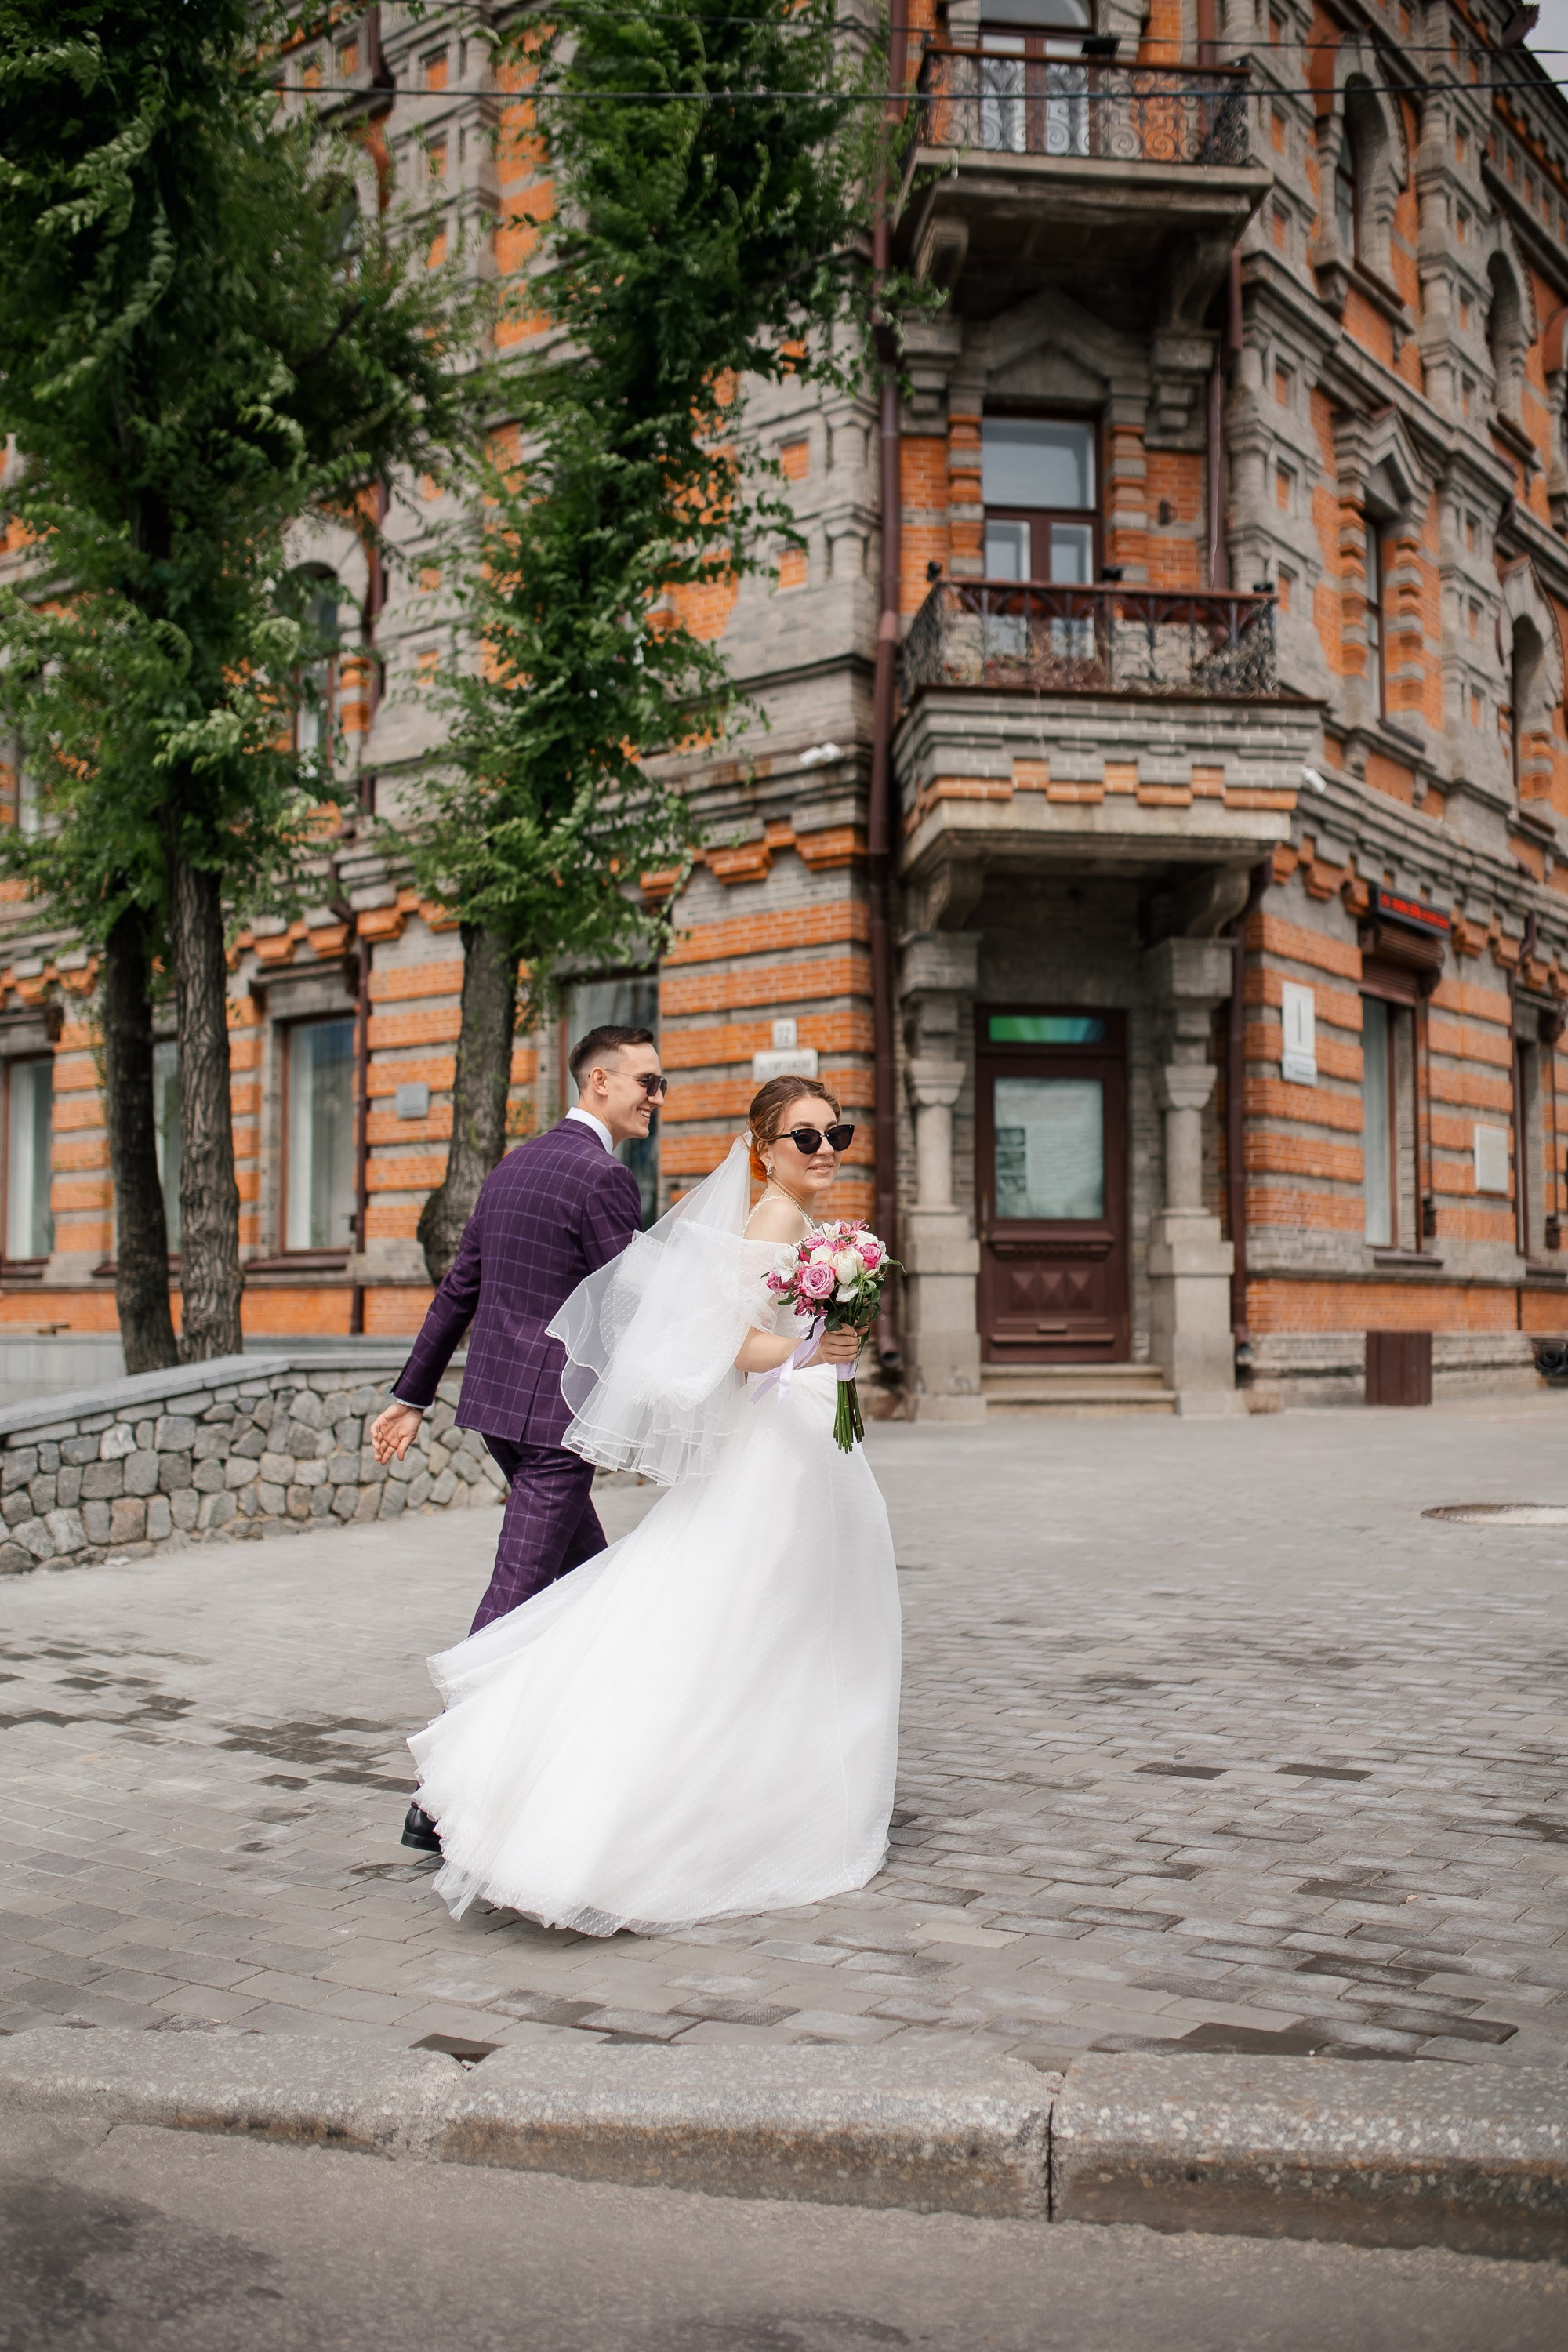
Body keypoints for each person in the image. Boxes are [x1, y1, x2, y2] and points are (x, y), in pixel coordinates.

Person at [403, 1076, 902, 1934]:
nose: (825, 1152)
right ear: (764, 1150)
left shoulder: (804, 1225)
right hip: (778, 1442)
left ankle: (769, 1788)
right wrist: (817, 1344)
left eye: (837, 1135)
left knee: (772, 1622)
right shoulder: (777, 1219)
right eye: (806, 1138)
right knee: (753, 1621)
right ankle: (642, 1813)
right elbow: (735, 1342)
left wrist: (825, 1335)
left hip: (797, 1431)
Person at [369, 1024, 662, 1852]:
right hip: (556, 1428)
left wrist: (411, 1396)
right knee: (512, 1603)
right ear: (598, 1081)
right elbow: (627, 1309)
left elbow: (458, 1290)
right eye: (645, 1082)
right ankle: (437, 1793)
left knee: (594, 1589)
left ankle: (595, 1761)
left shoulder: (513, 1166)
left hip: (499, 1412)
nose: (655, 1099)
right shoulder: (602, 1178)